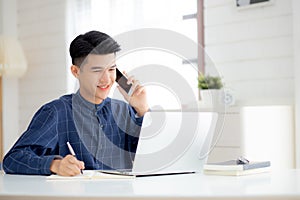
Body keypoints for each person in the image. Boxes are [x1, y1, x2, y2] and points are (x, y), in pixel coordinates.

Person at [3, 30, 149, 176]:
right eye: (97, 70)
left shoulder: (124, 111)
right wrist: (54, 164)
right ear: (76, 71)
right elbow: (13, 159)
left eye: (111, 69)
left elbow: (151, 157)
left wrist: (142, 109)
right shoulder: (57, 112)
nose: (106, 79)